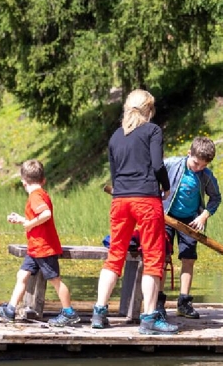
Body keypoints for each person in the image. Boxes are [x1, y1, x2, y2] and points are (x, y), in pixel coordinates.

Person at [92, 89, 178, 335]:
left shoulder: (115, 136)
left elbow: (114, 173)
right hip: (146, 199)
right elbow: (158, 164)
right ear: (149, 110)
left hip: (120, 200)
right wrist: (166, 186)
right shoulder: (153, 131)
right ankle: (149, 319)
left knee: (115, 254)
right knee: (153, 258)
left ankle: (99, 313)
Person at [0, 160, 79, 327]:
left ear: (23, 182)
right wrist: (22, 220)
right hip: (35, 248)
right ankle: (10, 310)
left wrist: (29, 224)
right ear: (43, 180)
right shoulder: (41, 194)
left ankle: (69, 312)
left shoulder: (35, 196)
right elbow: (40, 218)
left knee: (55, 280)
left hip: (44, 248)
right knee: (22, 275)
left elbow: (46, 214)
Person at [157, 136, 221, 319]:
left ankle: (184, 303)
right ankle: (158, 302)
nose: (198, 167)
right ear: (188, 154)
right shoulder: (171, 164)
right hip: (166, 217)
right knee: (162, 257)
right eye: (196, 163)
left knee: (188, 258)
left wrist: (204, 215)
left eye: (203, 165)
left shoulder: (206, 176)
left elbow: (216, 198)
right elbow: (154, 173)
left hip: (191, 221)